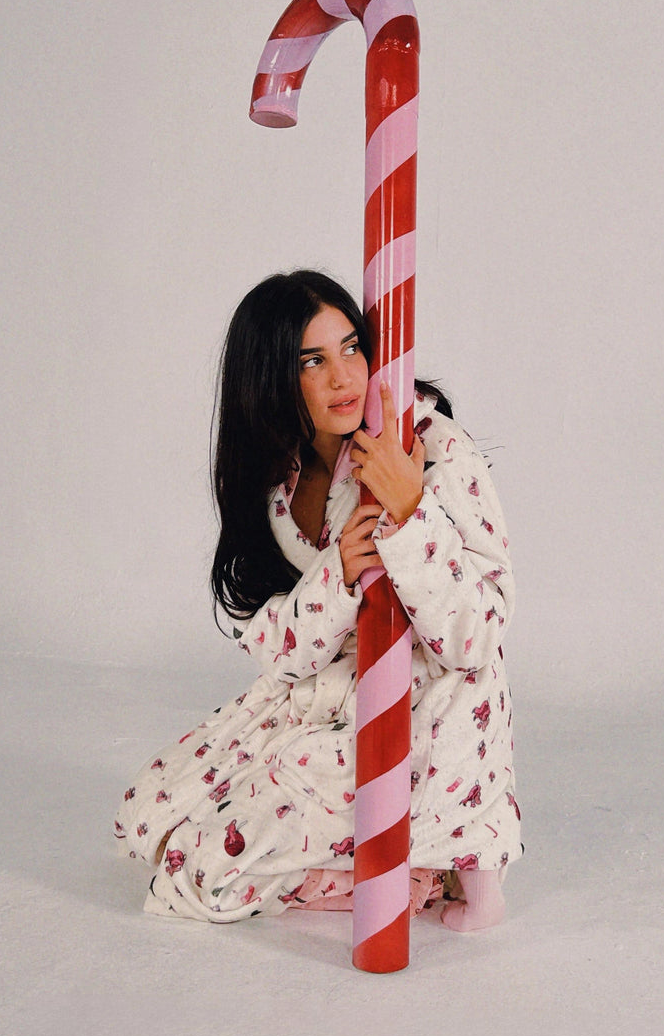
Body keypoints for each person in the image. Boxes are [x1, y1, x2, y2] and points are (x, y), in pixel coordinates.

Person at [113, 270, 520, 931]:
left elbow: (477, 635)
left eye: (352, 347)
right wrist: (338, 577)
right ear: (273, 379)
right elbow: (274, 648)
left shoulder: (432, 446)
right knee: (147, 817)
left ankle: (418, 866)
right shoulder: (282, 480)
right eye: (312, 361)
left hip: (419, 706)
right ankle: (368, 857)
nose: (343, 376)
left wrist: (410, 510)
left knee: (201, 871)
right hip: (315, 696)